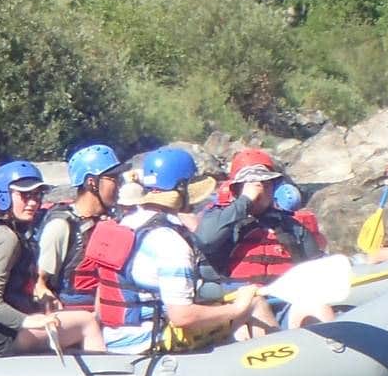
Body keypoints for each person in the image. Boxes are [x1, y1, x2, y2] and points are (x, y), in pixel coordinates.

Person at [99, 147, 278, 354]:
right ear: (182, 190)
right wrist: (237, 309)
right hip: (149, 340)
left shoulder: (127, 223)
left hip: (114, 336)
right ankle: (278, 367)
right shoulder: (170, 242)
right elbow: (182, 317)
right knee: (255, 304)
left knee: (231, 305)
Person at [0, 160, 105, 357]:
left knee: (55, 318)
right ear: (4, 195)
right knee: (86, 322)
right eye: (24, 195)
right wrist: (29, 321)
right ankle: (109, 372)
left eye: (37, 195)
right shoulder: (5, 237)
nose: (33, 202)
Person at [195, 148, 333, 326]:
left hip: (284, 300)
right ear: (237, 189)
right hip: (237, 303)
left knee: (318, 308)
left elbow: (316, 265)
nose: (260, 190)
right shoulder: (220, 220)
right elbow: (205, 239)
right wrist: (245, 200)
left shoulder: (290, 225)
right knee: (256, 307)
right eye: (252, 184)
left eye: (266, 184)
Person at [33, 144, 122, 310]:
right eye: (113, 178)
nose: (119, 184)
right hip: (74, 316)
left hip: (106, 312)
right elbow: (40, 283)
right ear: (91, 182)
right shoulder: (61, 226)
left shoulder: (112, 221)